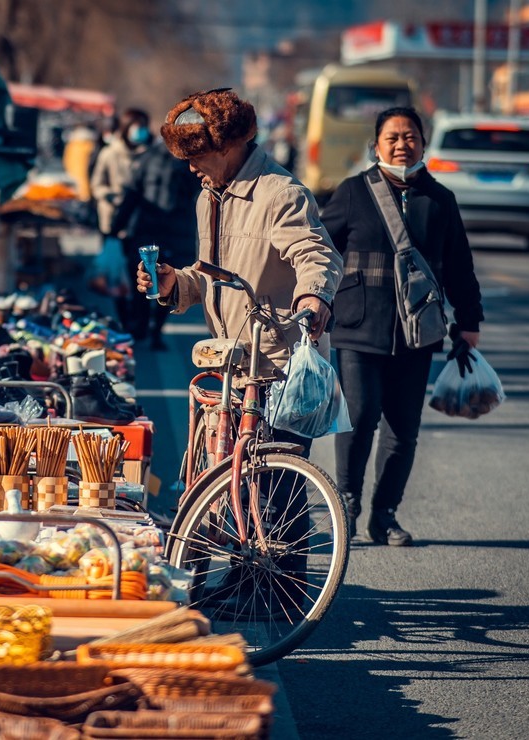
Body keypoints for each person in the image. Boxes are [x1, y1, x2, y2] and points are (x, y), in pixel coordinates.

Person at [135, 88, 342, 609]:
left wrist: (313, 297)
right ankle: (241, 577)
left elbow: (315, 252)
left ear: (229, 146)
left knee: (276, 487)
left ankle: (283, 591)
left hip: (278, 359)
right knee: (229, 479)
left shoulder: (280, 193)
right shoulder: (209, 194)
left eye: (197, 156)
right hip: (233, 361)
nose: (190, 168)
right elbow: (211, 277)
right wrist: (174, 284)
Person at [320, 106, 484, 546]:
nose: (401, 145)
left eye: (409, 137)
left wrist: (469, 320)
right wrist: (314, 299)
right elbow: (320, 247)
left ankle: (384, 515)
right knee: (359, 417)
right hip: (358, 326)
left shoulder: (440, 200)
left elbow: (459, 266)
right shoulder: (353, 192)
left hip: (418, 332)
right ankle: (346, 505)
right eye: (392, 137)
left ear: (423, 144)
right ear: (376, 145)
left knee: (402, 429)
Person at [110, 123, 201, 349]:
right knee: (168, 279)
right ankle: (154, 330)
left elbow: (131, 195)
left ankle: (144, 328)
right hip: (174, 232)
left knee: (148, 278)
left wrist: (115, 227)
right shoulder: (190, 162)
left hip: (151, 231)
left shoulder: (149, 158)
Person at [91, 108, 151, 326]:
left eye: (143, 126)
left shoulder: (150, 154)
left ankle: (140, 319)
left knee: (141, 272)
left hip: (141, 222)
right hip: (114, 222)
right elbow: (96, 184)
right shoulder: (110, 153)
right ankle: (124, 319)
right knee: (116, 273)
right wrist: (111, 196)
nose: (140, 131)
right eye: (137, 126)